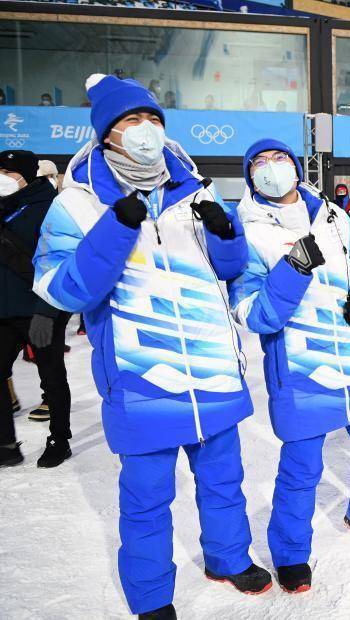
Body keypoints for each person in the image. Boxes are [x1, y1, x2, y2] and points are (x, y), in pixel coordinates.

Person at [33, 74, 269, 618]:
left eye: (154, 121)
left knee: (224, 481)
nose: (147, 131)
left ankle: (228, 557)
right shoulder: (76, 203)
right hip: (143, 381)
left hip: (211, 370)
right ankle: (150, 596)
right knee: (146, 500)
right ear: (107, 135)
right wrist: (115, 228)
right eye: (133, 122)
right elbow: (65, 290)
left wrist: (226, 232)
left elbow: (230, 272)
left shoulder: (196, 190)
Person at [229, 139, 350, 593]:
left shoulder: (332, 214)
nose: (272, 168)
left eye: (280, 159)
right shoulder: (246, 231)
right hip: (302, 366)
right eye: (260, 164)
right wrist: (292, 267)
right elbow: (252, 312)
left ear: (295, 164)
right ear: (250, 176)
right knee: (303, 466)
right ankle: (290, 553)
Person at [0, 150, 72, 468]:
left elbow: (59, 261)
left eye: (8, 172)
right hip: (4, 311)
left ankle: (59, 438)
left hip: (40, 310)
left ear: (27, 175)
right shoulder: (3, 207)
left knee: (51, 377)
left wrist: (48, 310)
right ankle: (5, 442)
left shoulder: (52, 208)